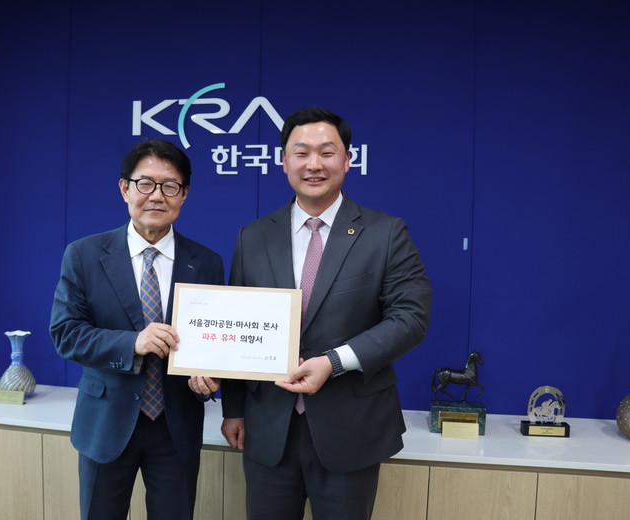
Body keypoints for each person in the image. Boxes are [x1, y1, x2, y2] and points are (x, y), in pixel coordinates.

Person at [221, 107, 432, 519]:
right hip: (268, 429)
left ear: (348, 160)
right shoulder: (254, 236)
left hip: (350, 428)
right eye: (301, 153)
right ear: (284, 161)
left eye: (327, 152)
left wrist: (333, 362)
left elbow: (411, 317)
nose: (314, 164)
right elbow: (237, 322)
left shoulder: (386, 233)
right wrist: (234, 408)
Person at [50, 139, 224, 520]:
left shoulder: (207, 262)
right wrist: (133, 343)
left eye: (170, 186)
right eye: (145, 183)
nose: (156, 196)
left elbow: (213, 339)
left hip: (176, 426)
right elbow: (66, 332)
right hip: (106, 423)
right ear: (124, 188)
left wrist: (209, 378)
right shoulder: (84, 255)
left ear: (185, 194)